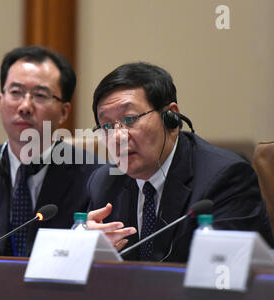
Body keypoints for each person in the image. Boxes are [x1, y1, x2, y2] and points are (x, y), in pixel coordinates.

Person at [86, 61, 274, 263]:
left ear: (171, 117)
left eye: (130, 119)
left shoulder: (226, 177)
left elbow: (228, 272)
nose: (117, 137)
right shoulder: (104, 183)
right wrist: (85, 246)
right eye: (106, 126)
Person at [0, 46, 100, 256]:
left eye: (40, 95)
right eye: (16, 93)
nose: (25, 106)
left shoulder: (93, 176)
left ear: (63, 112)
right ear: (0, 101)